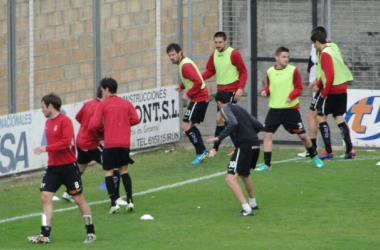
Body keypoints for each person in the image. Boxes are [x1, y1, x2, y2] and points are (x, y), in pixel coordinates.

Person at [29, 93, 96, 244]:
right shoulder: (48, 122)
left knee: (78, 199)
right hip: (53, 168)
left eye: (42, 107)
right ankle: (45, 234)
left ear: (50, 106)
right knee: (45, 197)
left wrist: (46, 148)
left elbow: (65, 143)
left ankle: (91, 232)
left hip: (68, 168)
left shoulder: (65, 121)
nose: (41, 110)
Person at [255, 47, 324, 171]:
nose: (286, 59)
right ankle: (267, 164)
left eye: (287, 57)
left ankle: (314, 156)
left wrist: (290, 97)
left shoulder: (293, 70)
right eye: (283, 57)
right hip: (274, 110)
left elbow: (299, 88)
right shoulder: (270, 71)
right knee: (267, 135)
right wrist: (265, 91)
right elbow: (269, 86)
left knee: (303, 136)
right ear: (276, 58)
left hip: (291, 110)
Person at [62, 86, 127, 207]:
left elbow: (78, 117)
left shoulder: (89, 103)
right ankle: (116, 198)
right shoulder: (100, 107)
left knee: (80, 168)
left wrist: (85, 129)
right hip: (90, 143)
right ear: (104, 93)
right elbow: (94, 126)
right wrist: (102, 134)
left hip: (81, 141)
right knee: (114, 167)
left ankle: (68, 192)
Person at [206, 90, 263, 217]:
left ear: (218, 102)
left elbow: (233, 123)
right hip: (255, 145)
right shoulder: (239, 109)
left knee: (230, 179)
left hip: (244, 146)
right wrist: (249, 135)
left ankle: (246, 209)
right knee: (244, 174)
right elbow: (258, 125)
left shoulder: (224, 110)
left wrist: (218, 137)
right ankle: (252, 203)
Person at [92, 77, 140, 213]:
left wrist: (105, 130)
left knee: (108, 172)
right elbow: (136, 119)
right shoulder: (126, 103)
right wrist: (124, 125)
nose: (102, 92)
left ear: (107, 90)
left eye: (102, 90)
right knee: (124, 171)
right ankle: (130, 201)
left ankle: (114, 204)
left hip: (110, 143)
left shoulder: (103, 104)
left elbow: (96, 124)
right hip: (124, 143)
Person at [202, 31, 248, 157]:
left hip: (232, 90)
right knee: (221, 120)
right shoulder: (214, 55)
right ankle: (223, 148)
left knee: (224, 119)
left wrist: (240, 88)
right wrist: (199, 78)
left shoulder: (234, 54)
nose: (218, 45)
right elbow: (210, 71)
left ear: (226, 41)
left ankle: (229, 147)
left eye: (220, 42)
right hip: (221, 93)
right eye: (216, 42)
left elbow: (243, 71)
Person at [311, 31, 355, 160]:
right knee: (339, 117)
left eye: (314, 43)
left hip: (332, 90)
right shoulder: (334, 48)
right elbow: (328, 72)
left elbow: (329, 75)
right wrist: (319, 84)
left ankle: (328, 151)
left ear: (317, 42)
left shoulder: (324, 54)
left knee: (320, 118)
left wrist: (324, 92)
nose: (314, 46)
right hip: (342, 88)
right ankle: (350, 149)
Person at [167, 43, 209, 164]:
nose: (172, 57)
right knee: (188, 126)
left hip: (199, 98)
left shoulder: (185, 66)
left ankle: (201, 152)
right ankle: (202, 150)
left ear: (180, 53)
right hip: (199, 98)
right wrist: (182, 86)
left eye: (173, 54)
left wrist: (188, 94)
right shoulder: (182, 63)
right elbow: (191, 79)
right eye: (170, 55)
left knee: (185, 126)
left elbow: (198, 82)